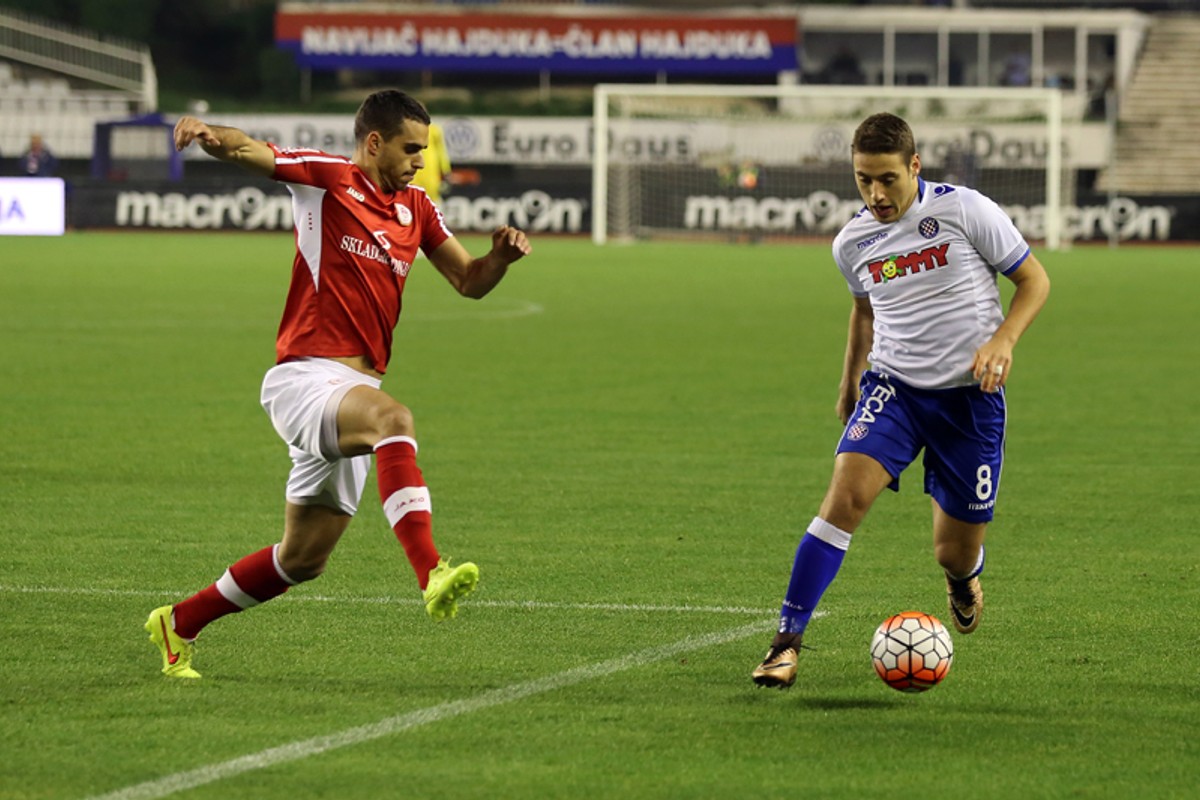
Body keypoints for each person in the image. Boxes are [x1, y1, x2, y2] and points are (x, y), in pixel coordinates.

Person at [147, 89, 531, 679]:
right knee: (394, 421)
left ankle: (179, 622)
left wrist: (499, 260)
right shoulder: (329, 179)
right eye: (409, 148)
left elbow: (469, 281)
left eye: (423, 150)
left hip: (351, 391)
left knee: (302, 559)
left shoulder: (419, 209)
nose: (419, 161)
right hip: (304, 378)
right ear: (373, 142)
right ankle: (431, 571)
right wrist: (208, 133)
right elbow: (254, 151)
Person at [751, 112, 1050, 689]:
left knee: (951, 551)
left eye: (888, 178)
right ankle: (784, 645)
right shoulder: (851, 242)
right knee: (842, 502)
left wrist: (1003, 340)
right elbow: (864, 311)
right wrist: (850, 380)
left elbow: (1034, 280)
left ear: (915, 166)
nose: (876, 193)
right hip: (894, 390)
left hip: (969, 400)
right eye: (864, 179)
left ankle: (964, 578)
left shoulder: (965, 210)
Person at [409, 121, 451, 205]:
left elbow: (441, 151)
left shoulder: (434, 130)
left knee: (431, 203)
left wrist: (445, 170)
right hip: (414, 176)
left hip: (430, 177)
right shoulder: (406, 129)